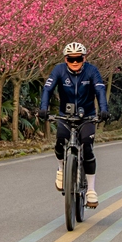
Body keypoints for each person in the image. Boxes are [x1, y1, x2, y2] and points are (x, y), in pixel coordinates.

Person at [41, 41, 107, 207]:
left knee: (87, 146)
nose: (75, 62)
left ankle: (91, 190)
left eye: (79, 58)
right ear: (66, 59)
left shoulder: (92, 71)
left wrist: (103, 110)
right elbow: (47, 89)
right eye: (71, 59)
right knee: (60, 140)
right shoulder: (59, 70)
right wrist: (43, 109)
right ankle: (62, 170)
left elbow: (100, 89)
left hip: (87, 116)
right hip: (66, 115)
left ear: (84, 58)